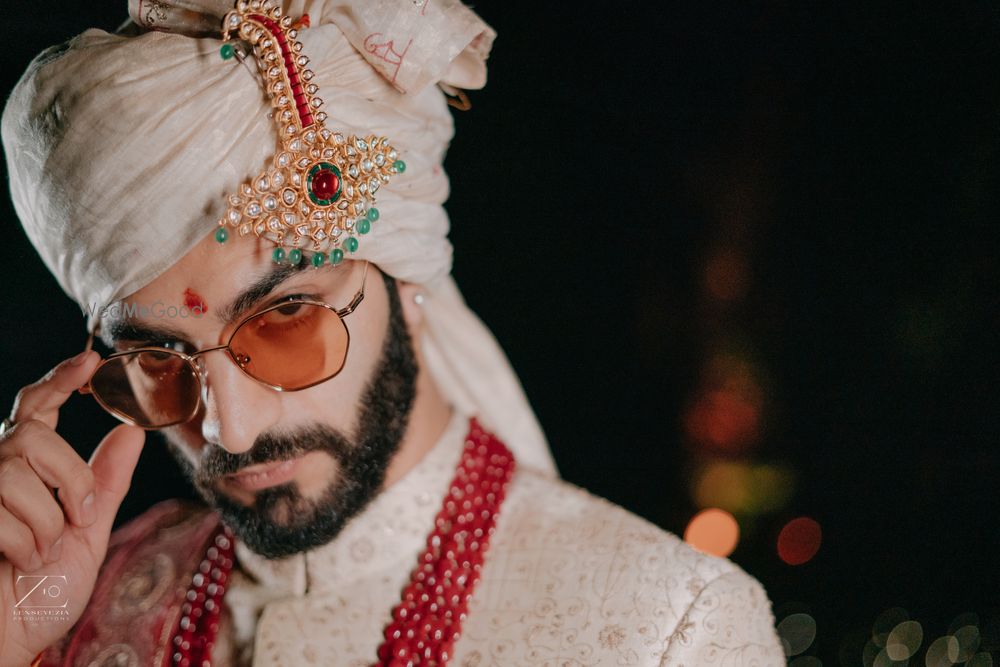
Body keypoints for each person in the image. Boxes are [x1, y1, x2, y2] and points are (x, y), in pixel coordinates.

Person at [0, 1, 785, 664]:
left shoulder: (670, 631)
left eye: (285, 318)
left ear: (409, 282)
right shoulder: (81, 591)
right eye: (159, 358)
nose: (229, 427)